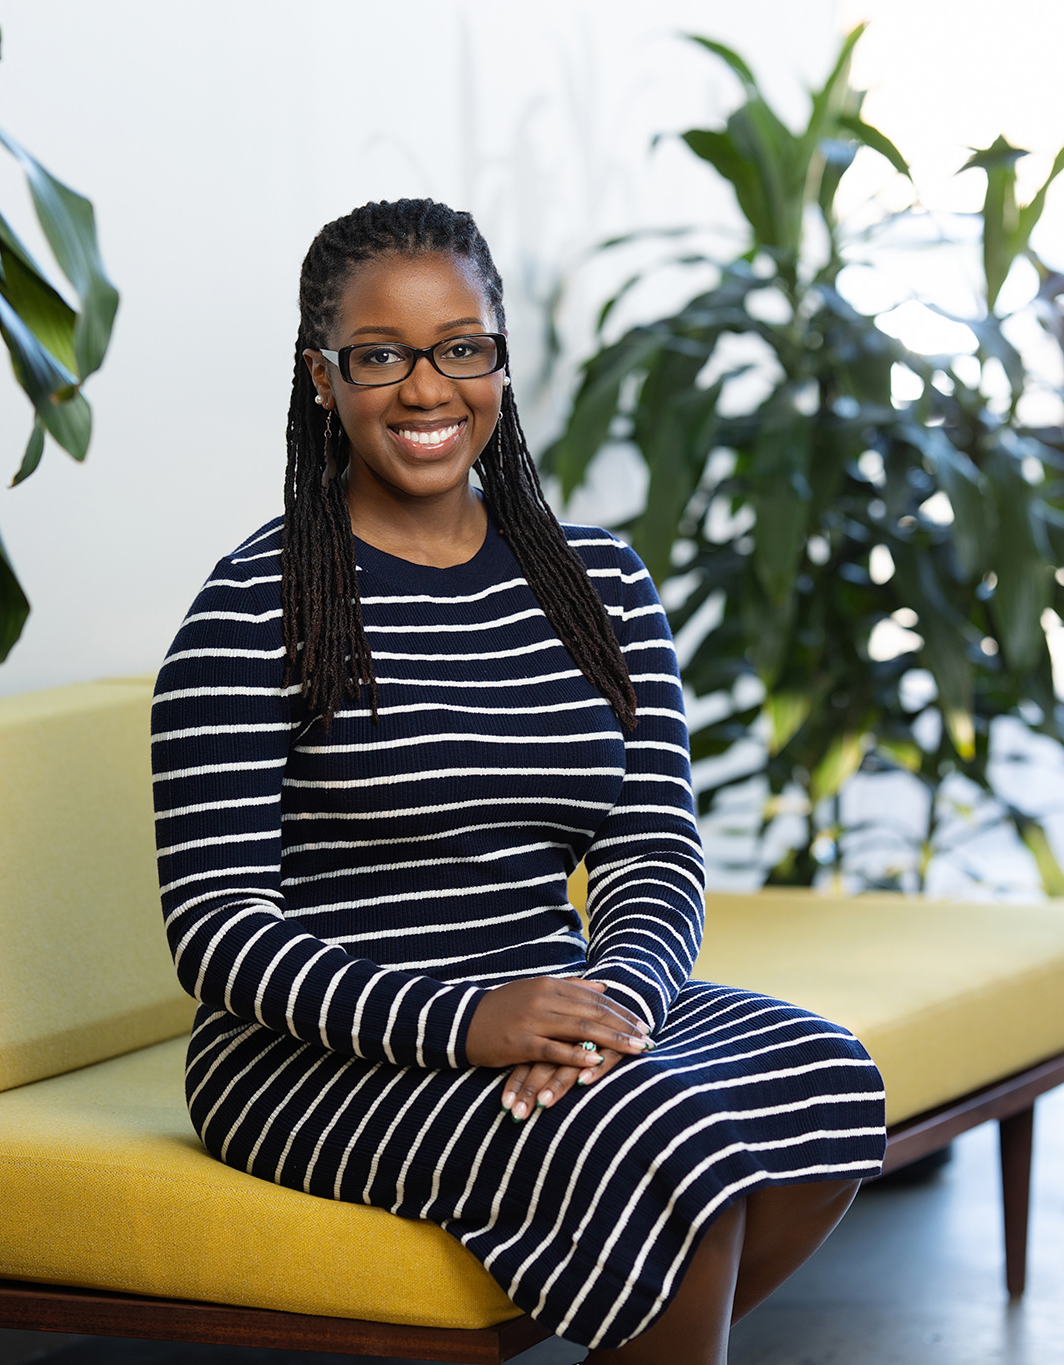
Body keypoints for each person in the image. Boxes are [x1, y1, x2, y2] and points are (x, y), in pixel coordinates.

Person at [151, 198, 887, 1360]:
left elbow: (650, 849)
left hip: (554, 1002)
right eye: (379, 356)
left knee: (824, 1077)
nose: (427, 389)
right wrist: (466, 1022)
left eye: (461, 348)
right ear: (320, 378)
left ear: (497, 356)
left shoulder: (596, 581)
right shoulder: (255, 603)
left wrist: (615, 1012)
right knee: (664, 1137)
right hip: (311, 1054)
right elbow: (216, 927)